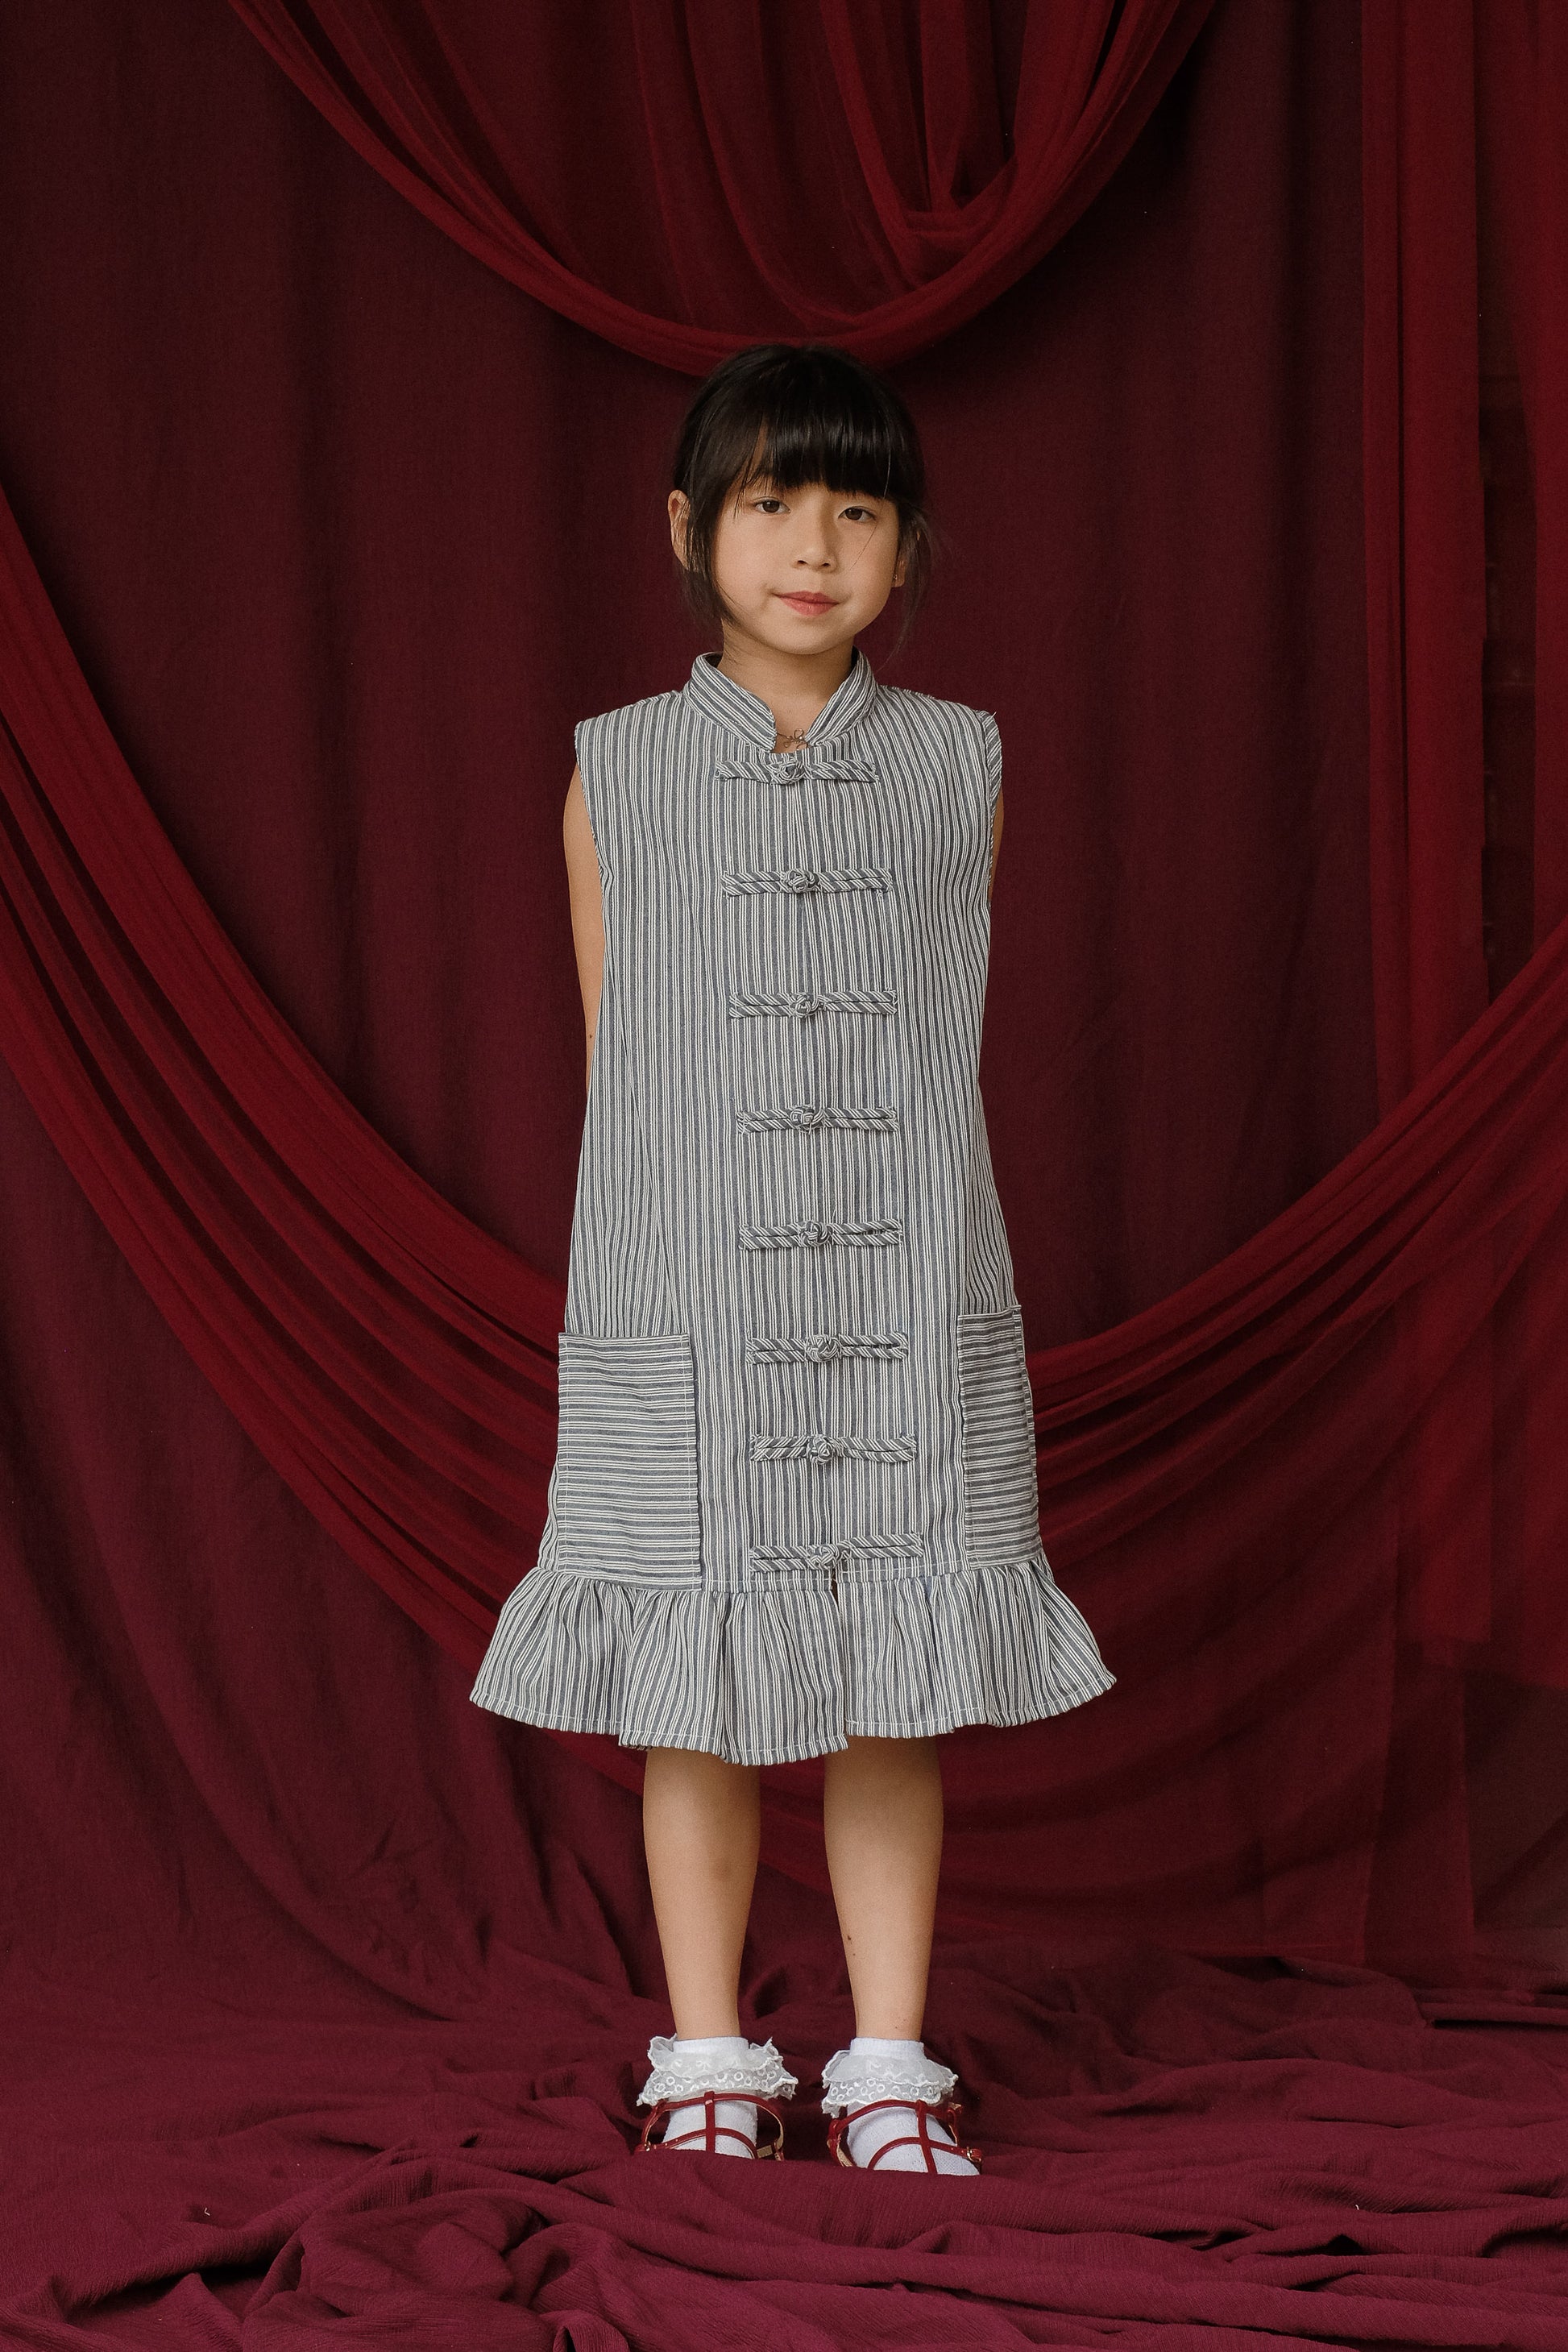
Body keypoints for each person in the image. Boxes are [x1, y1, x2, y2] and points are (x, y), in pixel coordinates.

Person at [471, 343, 1117, 2173]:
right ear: (689, 529)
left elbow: (941, 1027)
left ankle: (889, 2059)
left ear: (906, 545)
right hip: (689, 1305)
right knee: (695, 1689)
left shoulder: (960, 764)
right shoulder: (613, 769)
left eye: (857, 509)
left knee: (889, 1689)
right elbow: (619, 1063)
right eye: (770, 503)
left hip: (905, 1297)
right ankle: (706, 2053)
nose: (814, 547)